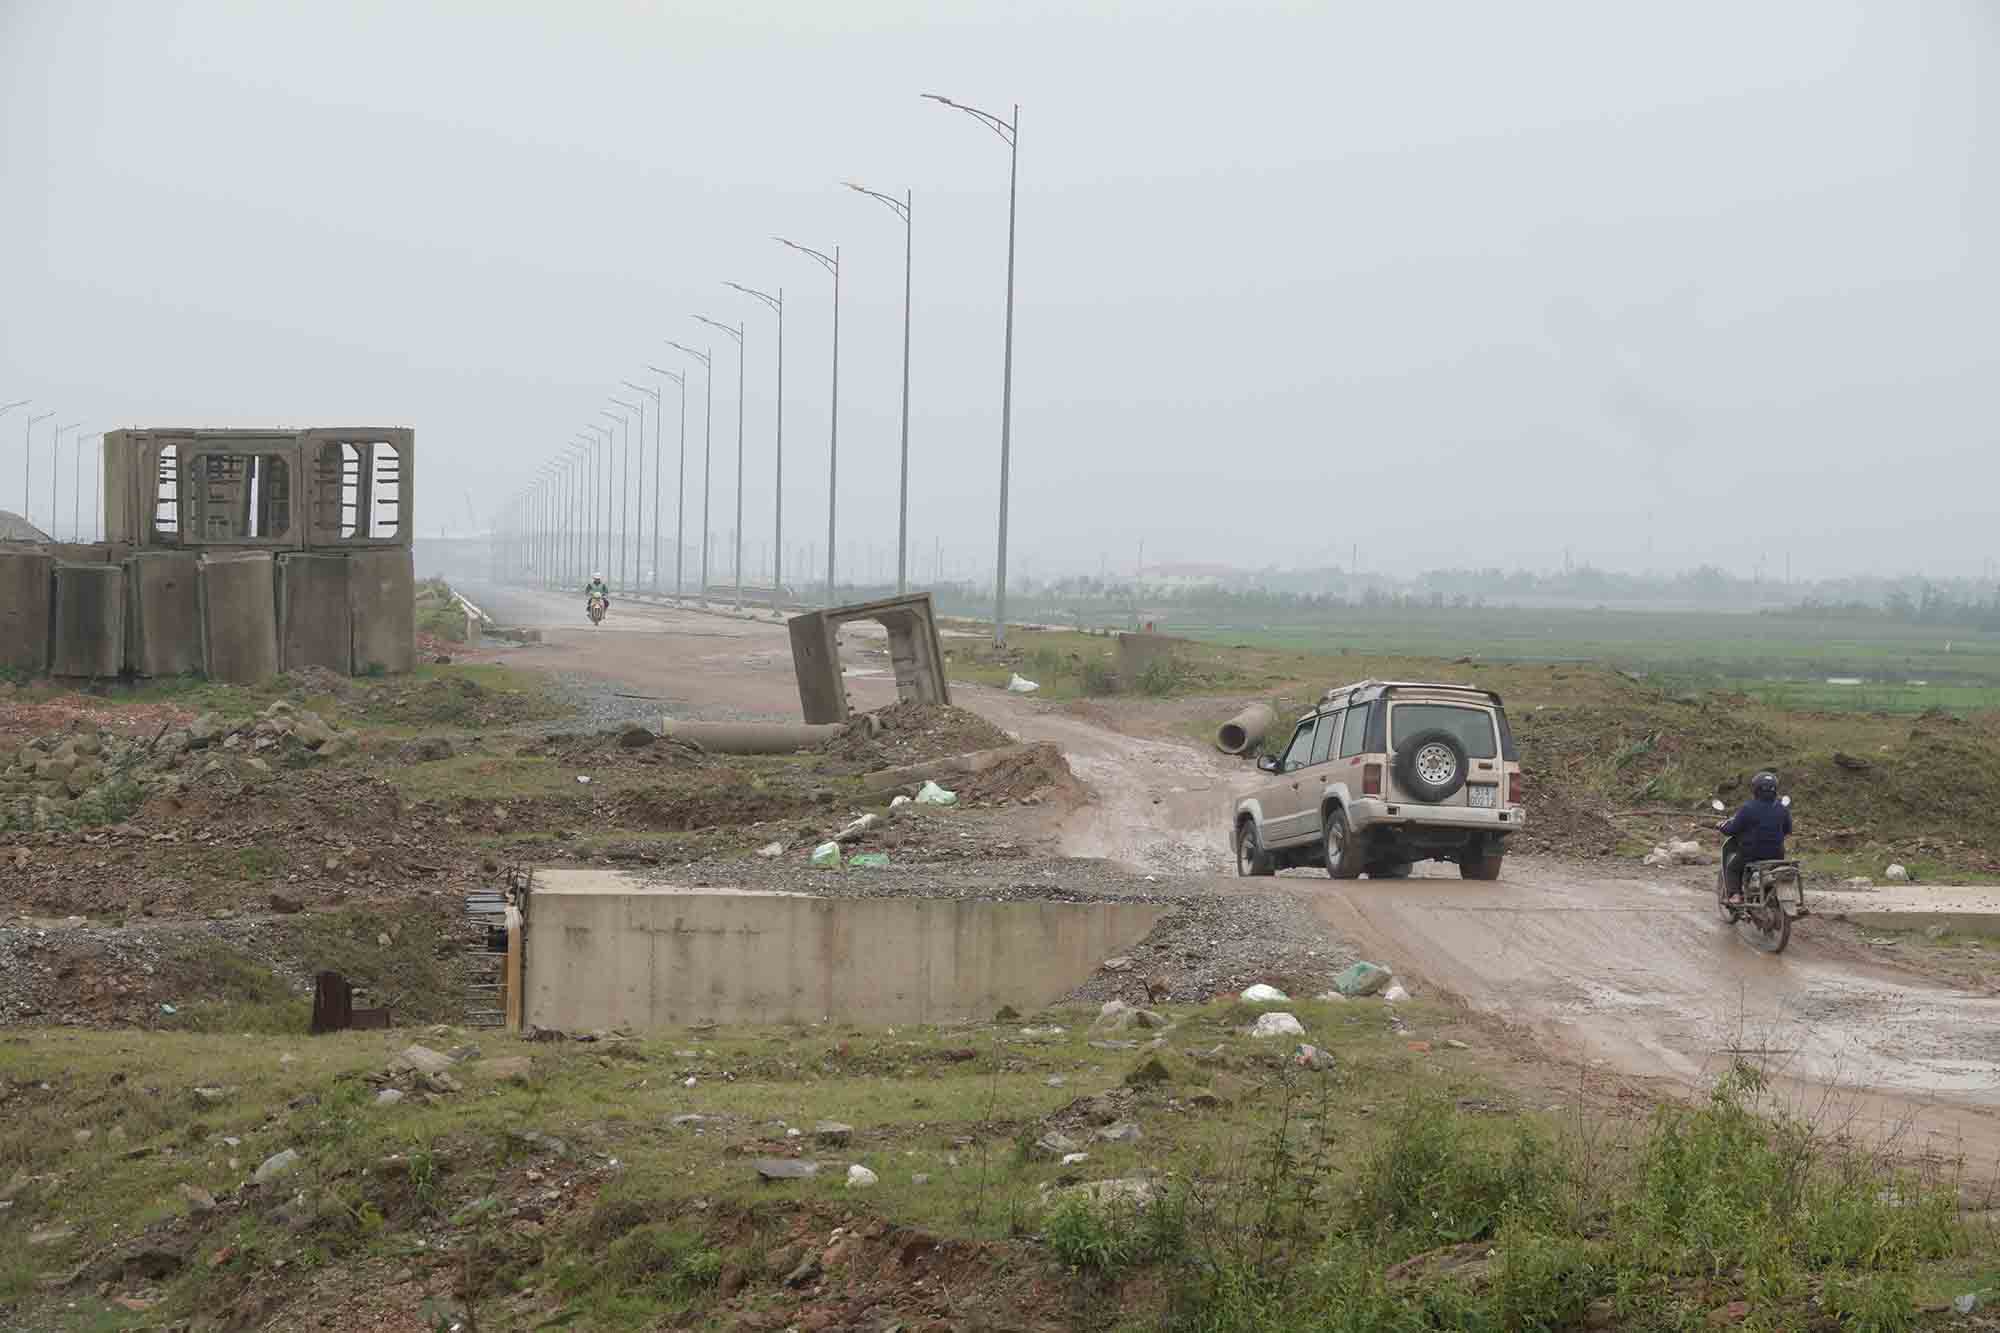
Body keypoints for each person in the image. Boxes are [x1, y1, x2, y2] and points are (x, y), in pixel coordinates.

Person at [1718, 771, 1792, 904]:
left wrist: (1721, 826)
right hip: (1777, 854)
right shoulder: (1782, 809)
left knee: (1733, 868)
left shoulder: (1748, 808)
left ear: (1755, 789)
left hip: (1751, 853)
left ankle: (1735, 895)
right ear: (1775, 789)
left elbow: (1732, 829)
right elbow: (1787, 830)